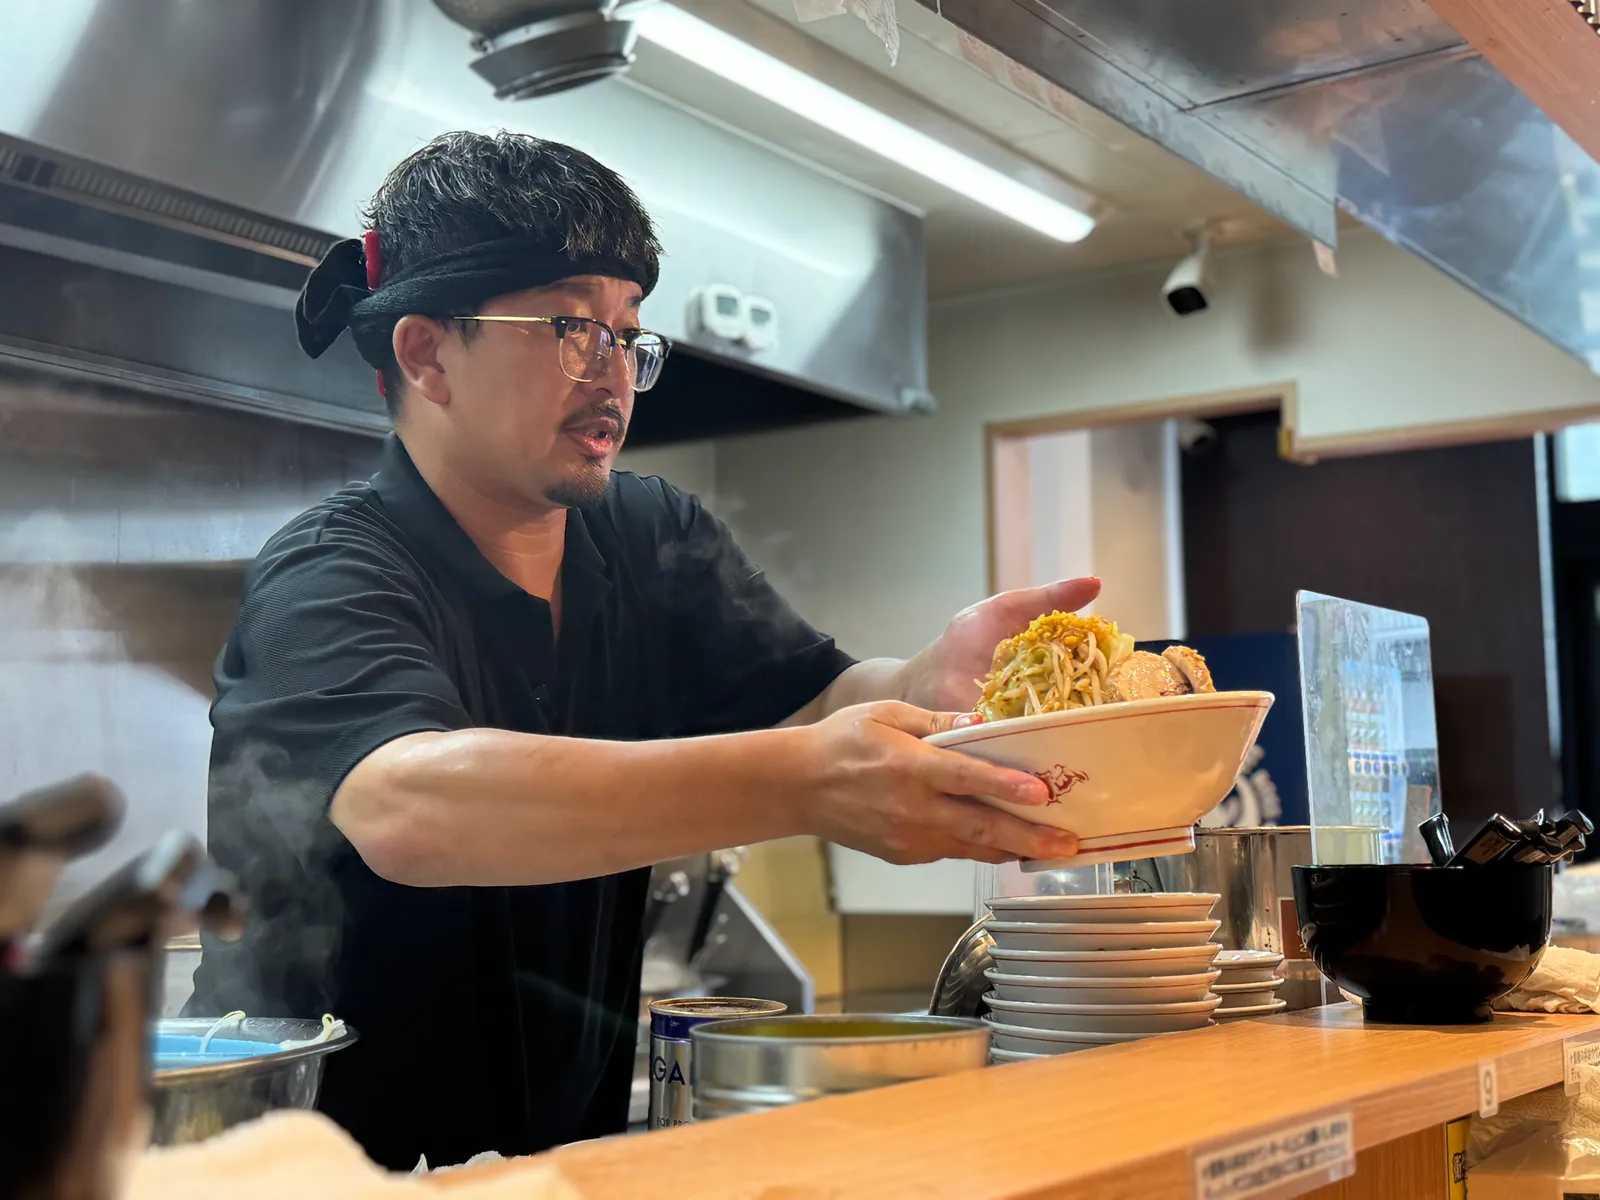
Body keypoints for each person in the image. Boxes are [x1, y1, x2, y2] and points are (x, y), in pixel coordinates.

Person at [188, 130, 1096, 1170]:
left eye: (628, 334)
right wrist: (799, 784)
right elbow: (407, 806)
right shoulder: (332, 569)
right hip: (313, 1173)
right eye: (571, 327)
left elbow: (808, 700)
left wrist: (925, 678)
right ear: (427, 353)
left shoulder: (648, 535)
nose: (613, 374)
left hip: (554, 1165)